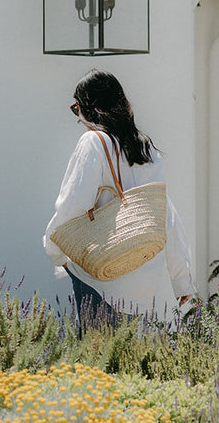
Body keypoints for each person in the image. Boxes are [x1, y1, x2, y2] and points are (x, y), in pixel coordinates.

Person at [43, 70, 195, 327]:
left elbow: (73, 203)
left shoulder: (93, 142)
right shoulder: (145, 148)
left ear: (90, 107)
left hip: (100, 274)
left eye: (76, 107)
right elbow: (163, 213)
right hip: (142, 276)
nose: (77, 117)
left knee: (95, 360)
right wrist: (181, 278)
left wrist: (55, 249)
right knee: (124, 361)